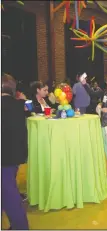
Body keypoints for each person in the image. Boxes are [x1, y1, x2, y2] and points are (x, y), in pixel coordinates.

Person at [1, 74, 29, 230]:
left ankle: (20, 226)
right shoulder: (19, 104)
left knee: (9, 193)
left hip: (4, 156)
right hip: (16, 154)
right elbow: (29, 108)